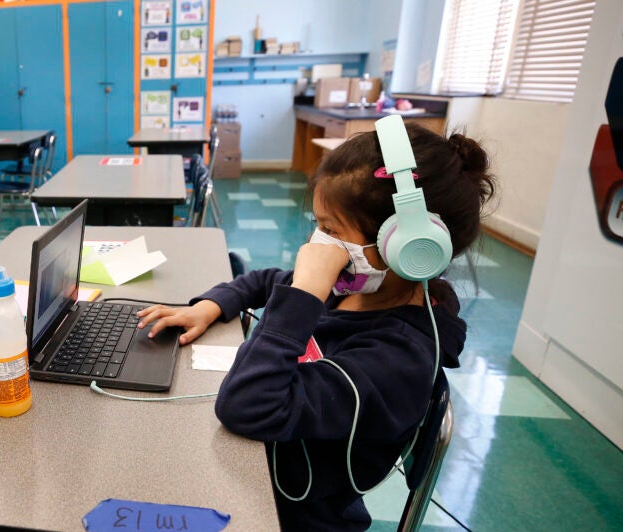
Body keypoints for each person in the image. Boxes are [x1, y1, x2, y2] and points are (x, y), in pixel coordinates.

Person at [137, 123, 496, 531]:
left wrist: (305, 296)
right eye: (319, 225)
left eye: (332, 231)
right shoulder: (354, 288)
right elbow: (266, 280)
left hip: (287, 514)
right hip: (255, 465)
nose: (318, 245)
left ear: (406, 247)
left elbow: (245, 407)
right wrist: (211, 305)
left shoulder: (397, 360)